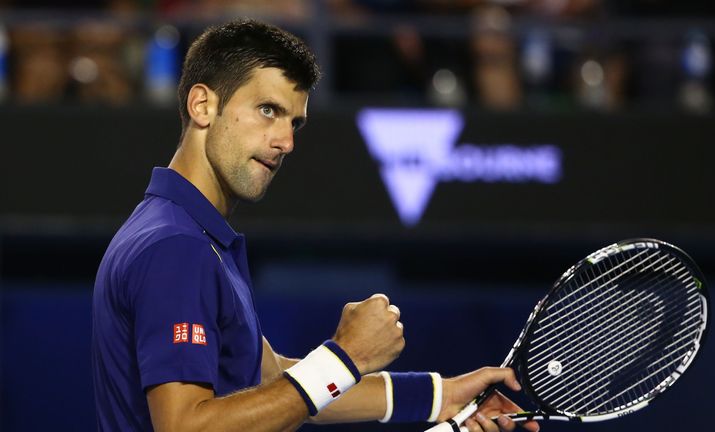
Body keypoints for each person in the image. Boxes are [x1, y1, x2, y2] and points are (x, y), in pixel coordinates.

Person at [92, 19, 540, 432]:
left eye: (295, 122)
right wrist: (344, 359)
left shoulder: (187, 233)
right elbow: (184, 427)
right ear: (203, 105)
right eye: (268, 110)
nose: (285, 141)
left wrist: (440, 397)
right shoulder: (176, 247)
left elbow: (271, 379)